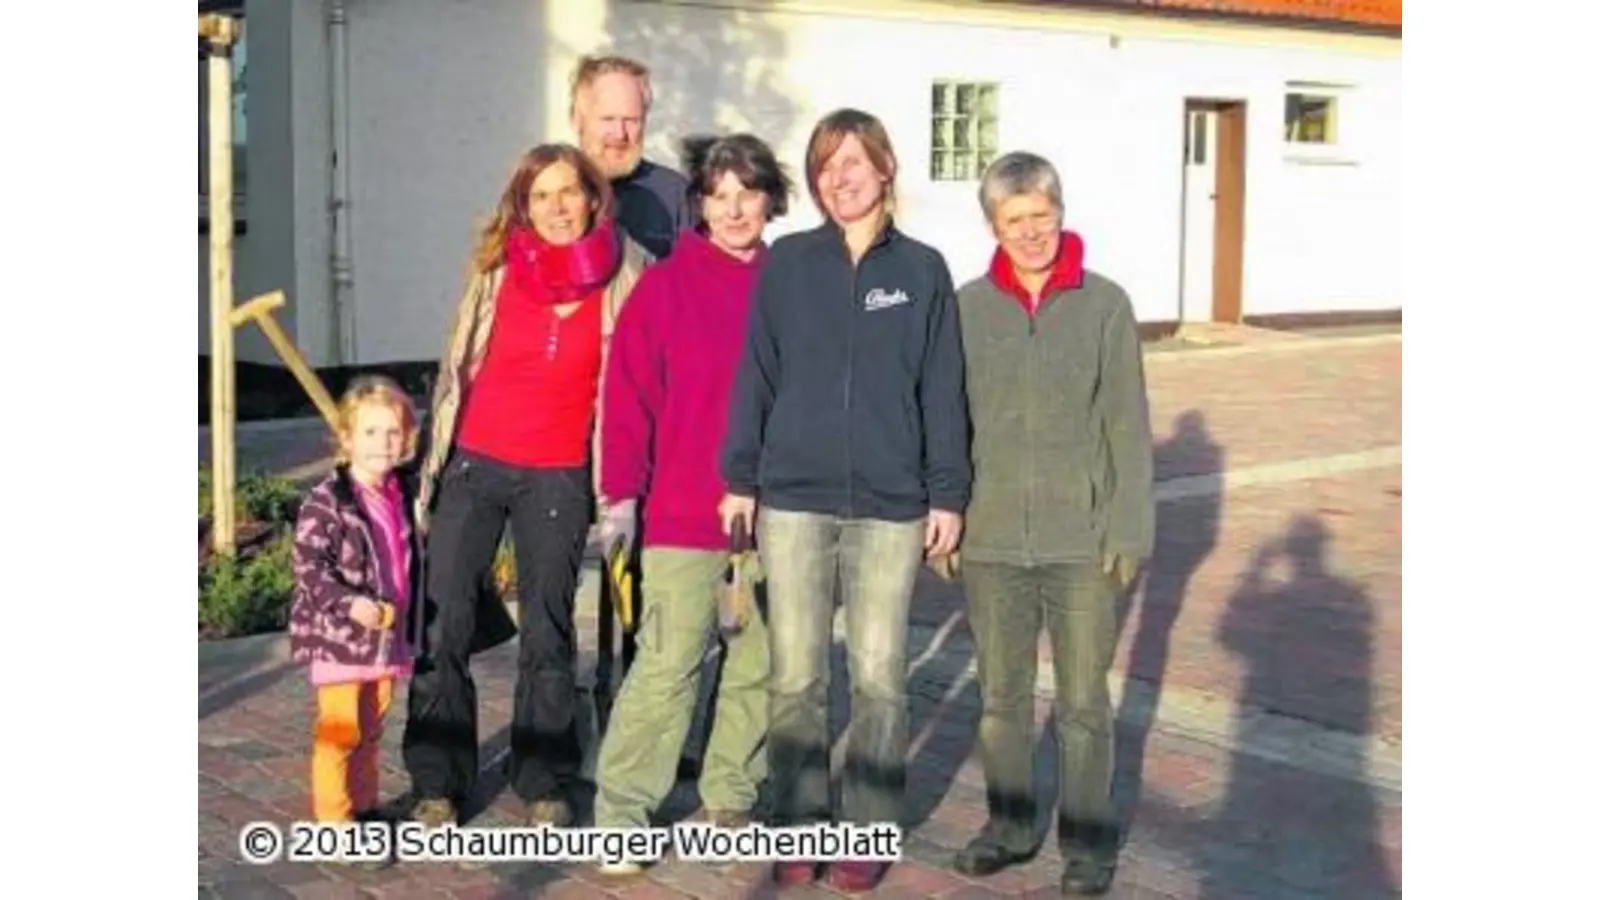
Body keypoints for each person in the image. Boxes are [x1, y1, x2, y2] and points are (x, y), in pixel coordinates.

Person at [718, 108, 971, 893]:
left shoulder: (923, 270)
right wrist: (741, 477)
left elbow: (942, 389)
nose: (839, 177)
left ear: (886, 168)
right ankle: (798, 823)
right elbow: (756, 372)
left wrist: (947, 494)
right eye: (826, 165)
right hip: (793, 498)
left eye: (854, 162)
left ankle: (866, 827)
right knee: (796, 676)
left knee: (879, 676)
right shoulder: (789, 264)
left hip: (892, 505)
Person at [402, 143, 650, 829]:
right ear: (523, 205)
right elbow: (457, 370)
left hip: (559, 473)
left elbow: (644, 372)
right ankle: (437, 780)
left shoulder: (627, 272)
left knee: (548, 633)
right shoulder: (497, 268)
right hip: (475, 465)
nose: (556, 208)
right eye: (540, 196)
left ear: (591, 197)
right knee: (442, 624)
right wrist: (427, 468)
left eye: (567, 192)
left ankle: (543, 775)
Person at [588, 132, 794, 875]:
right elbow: (629, 398)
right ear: (699, 204)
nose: (735, 209)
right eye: (719, 196)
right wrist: (621, 497)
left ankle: (730, 795)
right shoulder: (667, 286)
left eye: (749, 193)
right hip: (683, 513)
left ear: (771, 198)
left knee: (759, 663)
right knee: (668, 664)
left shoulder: (794, 283)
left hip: (779, 518)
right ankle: (623, 811)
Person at [950, 151, 1154, 897]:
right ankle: (1008, 825)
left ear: (1060, 213)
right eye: (1015, 220)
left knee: (1082, 704)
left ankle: (1089, 843)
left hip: (1080, 541)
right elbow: (947, 424)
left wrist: (1128, 528)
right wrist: (948, 522)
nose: (1031, 232)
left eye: (1042, 215)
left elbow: (1126, 425)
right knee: (1001, 699)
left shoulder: (1105, 305)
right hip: (991, 538)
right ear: (993, 226)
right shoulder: (966, 308)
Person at [288, 376, 422, 829]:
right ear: (346, 438)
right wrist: (348, 604)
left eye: (392, 432)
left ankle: (364, 806)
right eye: (369, 432)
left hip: (385, 638)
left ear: (406, 439)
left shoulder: (400, 495)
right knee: (340, 730)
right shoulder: (327, 501)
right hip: (340, 638)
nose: (382, 442)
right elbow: (309, 568)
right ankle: (335, 821)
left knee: (371, 729)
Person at [570, 54, 694, 259]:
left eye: (631, 120)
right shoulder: (549, 190)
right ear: (577, 120)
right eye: (607, 119)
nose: (620, 133)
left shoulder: (675, 195)